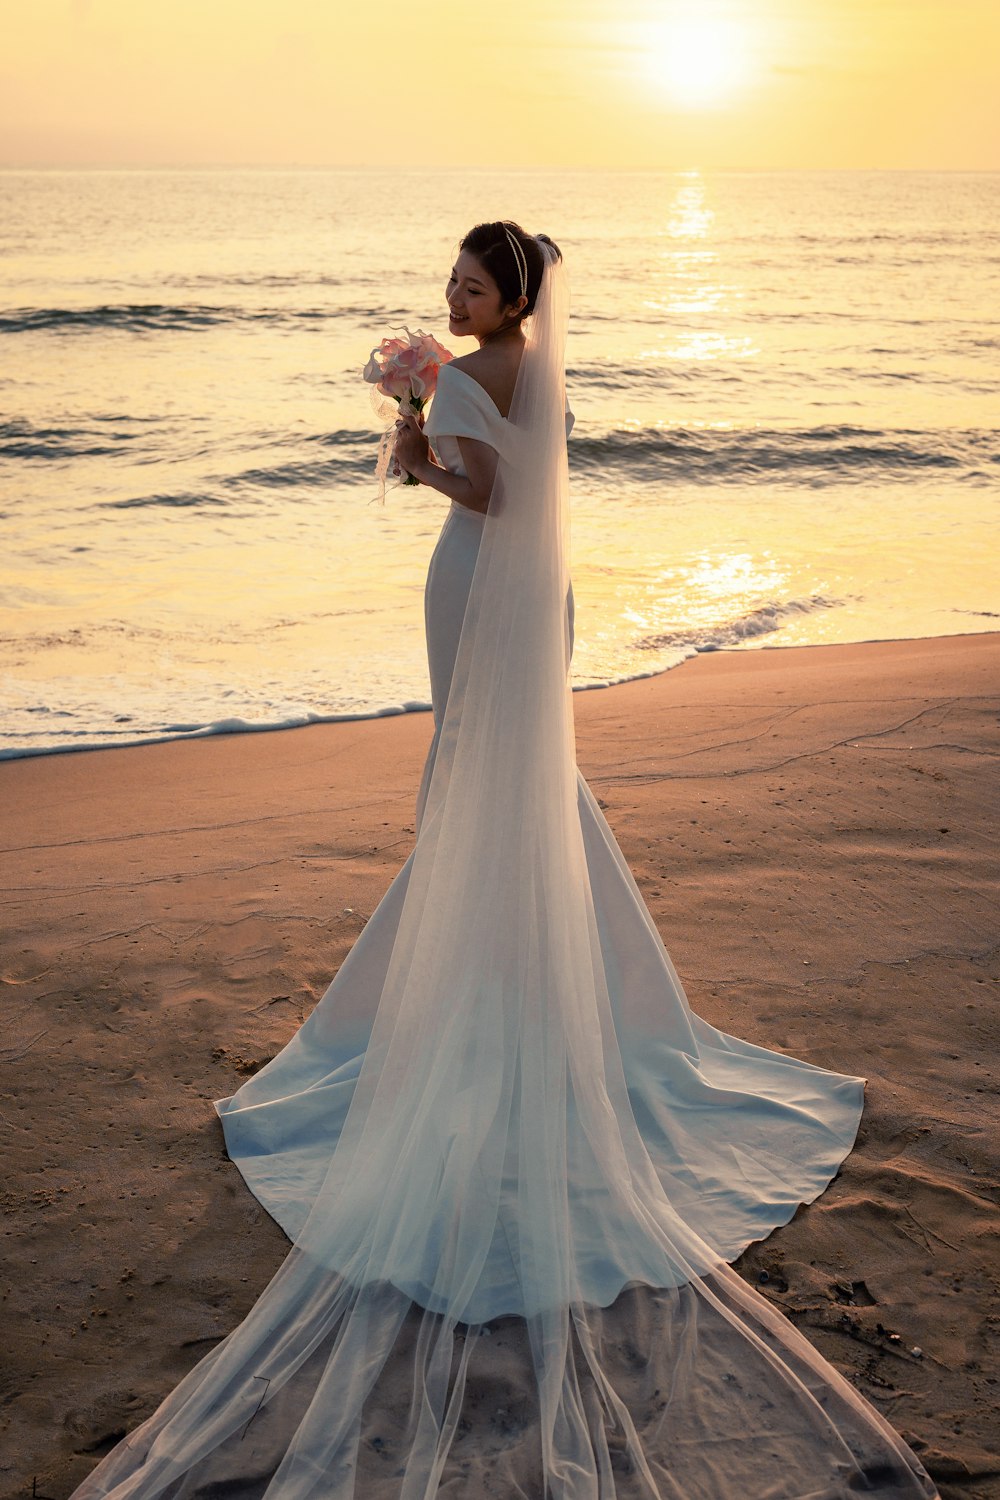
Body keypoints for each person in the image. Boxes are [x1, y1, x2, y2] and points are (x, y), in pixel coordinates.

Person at [70, 222, 938, 1498]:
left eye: (472, 285)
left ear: (513, 292)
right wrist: (438, 410)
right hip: (537, 596)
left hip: (477, 580)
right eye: (452, 287)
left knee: (476, 785)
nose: (454, 298)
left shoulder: (472, 378)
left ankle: (486, 983)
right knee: (521, 782)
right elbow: (538, 483)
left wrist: (420, 447)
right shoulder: (541, 365)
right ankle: (570, 987)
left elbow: (484, 495)